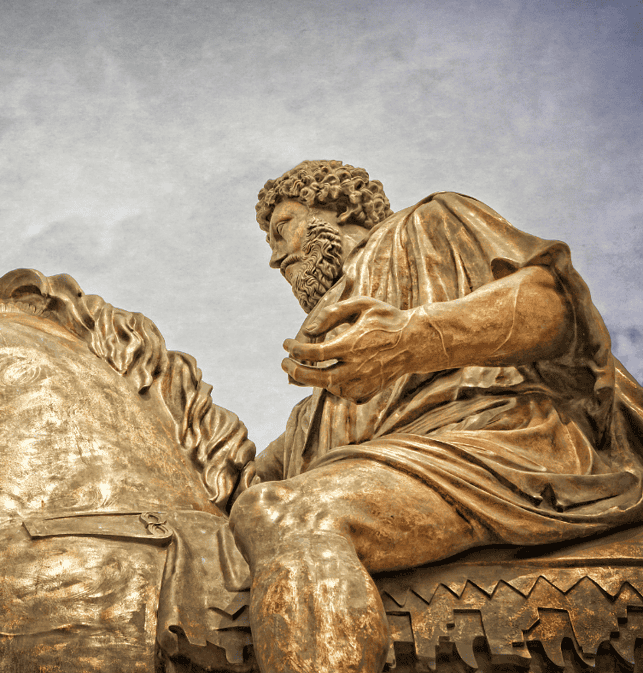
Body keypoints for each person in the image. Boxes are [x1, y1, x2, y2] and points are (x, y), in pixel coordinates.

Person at [228, 160, 643, 673]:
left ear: (336, 208)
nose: (274, 257)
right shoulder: (317, 400)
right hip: (399, 469)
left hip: (502, 440)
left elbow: (552, 306)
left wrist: (411, 339)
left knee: (294, 514)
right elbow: (242, 491)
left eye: (281, 227)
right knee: (263, 509)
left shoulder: (428, 224)